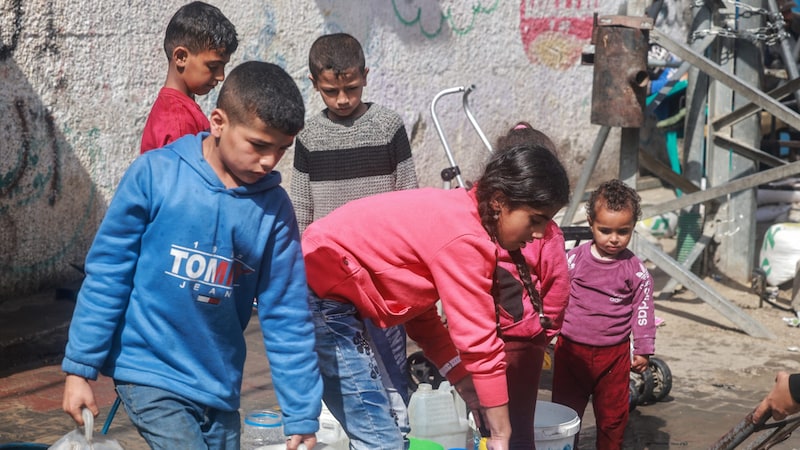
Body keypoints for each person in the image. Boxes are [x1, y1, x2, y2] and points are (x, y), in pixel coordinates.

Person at [60, 61, 322, 450]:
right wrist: (79, 369)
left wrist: (301, 411)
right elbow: (108, 273)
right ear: (218, 122)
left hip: (218, 384)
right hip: (149, 371)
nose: (270, 161)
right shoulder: (155, 175)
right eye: (258, 145)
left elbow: (286, 312)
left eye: (282, 149)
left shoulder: (274, 209)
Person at [302, 140, 570, 450]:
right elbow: (479, 342)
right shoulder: (465, 237)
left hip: (339, 298)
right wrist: (500, 434)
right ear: (499, 201)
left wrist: (464, 382)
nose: (539, 234)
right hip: (324, 297)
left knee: (396, 424)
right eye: (535, 220)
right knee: (380, 439)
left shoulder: (460, 215)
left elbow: (420, 316)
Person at [290, 32, 419, 441]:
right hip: (330, 278)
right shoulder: (309, 138)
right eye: (332, 91)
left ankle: (400, 434)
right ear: (314, 84)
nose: (343, 99)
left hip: (383, 275)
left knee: (392, 359)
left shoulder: (388, 127)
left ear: (366, 76)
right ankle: (364, 436)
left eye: (351, 88)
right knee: (347, 365)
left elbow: (408, 197)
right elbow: (301, 211)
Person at [551, 178, 656, 450]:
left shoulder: (635, 270)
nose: (613, 238)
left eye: (623, 231)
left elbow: (642, 309)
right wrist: (546, 331)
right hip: (571, 352)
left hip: (614, 355)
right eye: (605, 230)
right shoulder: (573, 259)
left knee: (613, 417)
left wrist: (643, 349)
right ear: (590, 223)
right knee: (565, 414)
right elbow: (554, 294)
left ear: (633, 228)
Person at [492, 122, 570, 450]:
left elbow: (557, 285)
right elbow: (559, 287)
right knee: (504, 420)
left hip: (511, 341)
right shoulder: (490, 224)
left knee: (505, 422)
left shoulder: (543, 232)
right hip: (502, 340)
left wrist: (544, 331)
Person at [140, 1, 238, 153]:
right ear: (180, 57)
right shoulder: (178, 122)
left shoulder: (180, 109)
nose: (221, 76)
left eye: (223, 66)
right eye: (212, 67)